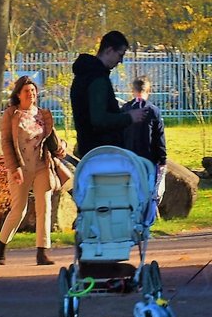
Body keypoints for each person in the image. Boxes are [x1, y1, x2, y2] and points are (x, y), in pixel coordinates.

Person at [0, 75, 68, 266]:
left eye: (33, 91)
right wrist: (14, 167)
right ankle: (2, 243)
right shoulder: (12, 114)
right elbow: (6, 142)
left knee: (44, 207)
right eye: (27, 91)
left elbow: (52, 138)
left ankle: (42, 252)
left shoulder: (42, 114)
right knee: (19, 209)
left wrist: (62, 146)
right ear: (18, 94)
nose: (31, 94)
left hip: (41, 166)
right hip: (20, 167)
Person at [69, 30, 144, 157]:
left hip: (88, 149)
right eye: (120, 55)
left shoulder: (82, 76)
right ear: (109, 50)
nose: (120, 61)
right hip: (103, 151)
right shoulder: (97, 79)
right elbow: (99, 119)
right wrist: (129, 117)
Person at [121, 75, 169, 203]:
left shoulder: (125, 109)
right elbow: (159, 137)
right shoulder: (153, 111)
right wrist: (162, 159)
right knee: (147, 190)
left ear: (133, 90)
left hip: (128, 156)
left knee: (130, 190)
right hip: (148, 158)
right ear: (148, 91)